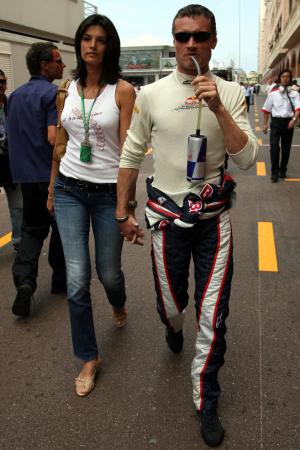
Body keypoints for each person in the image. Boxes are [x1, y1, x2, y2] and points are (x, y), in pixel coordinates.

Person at [116, 4, 258, 447]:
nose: (191, 44)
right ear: (174, 41)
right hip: (165, 221)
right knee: (173, 307)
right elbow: (132, 155)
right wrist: (123, 211)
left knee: (213, 317)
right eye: (182, 36)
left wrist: (218, 108)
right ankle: (172, 327)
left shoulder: (232, 94)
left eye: (199, 36)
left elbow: (248, 158)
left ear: (213, 41)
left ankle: (206, 398)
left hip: (214, 222)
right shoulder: (152, 94)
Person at [47, 14, 135, 397]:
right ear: (78, 44)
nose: (92, 45)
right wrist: (52, 189)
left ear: (108, 46)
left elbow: (130, 154)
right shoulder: (64, 89)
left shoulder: (123, 91)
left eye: (100, 39)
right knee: (77, 278)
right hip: (68, 188)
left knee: (109, 273)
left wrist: (125, 205)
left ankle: (118, 302)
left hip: (105, 194)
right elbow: (60, 146)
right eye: (86, 38)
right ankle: (88, 357)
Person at [7, 42, 67, 317]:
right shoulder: (53, 94)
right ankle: (60, 280)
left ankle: (25, 280)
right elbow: (54, 138)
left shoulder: (15, 96)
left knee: (32, 229)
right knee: (63, 229)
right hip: (50, 174)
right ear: (45, 65)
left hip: (24, 175)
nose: (62, 65)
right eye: (58, 60)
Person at [262, 69, 300, 182]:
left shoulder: (295, 94)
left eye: (287, 76)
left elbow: (298, 108)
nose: (285, 78)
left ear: (290, 79)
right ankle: (274, 172)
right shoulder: (273, 94)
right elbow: (266, 109)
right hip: (276, 124)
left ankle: (282, 170)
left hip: (289, 123)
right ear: (279, 79)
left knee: (286, 149)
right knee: (274, 148)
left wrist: (294, 119)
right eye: (283, 76)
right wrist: (264, 124)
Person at [0, 69, 23, 251]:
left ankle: (18, 241)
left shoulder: (11, 104)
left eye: (2, 81)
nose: (0, 85)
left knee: (18, 206)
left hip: (10, 164)